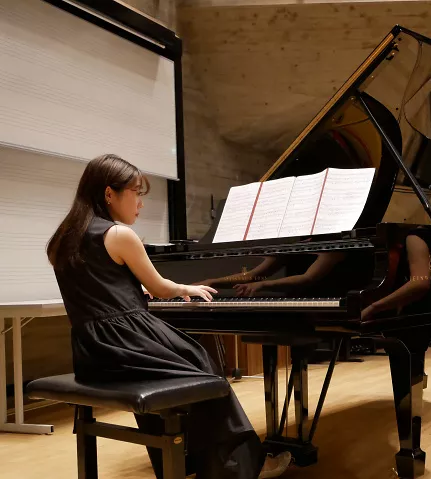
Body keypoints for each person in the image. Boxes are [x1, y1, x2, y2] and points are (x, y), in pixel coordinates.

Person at [46, 154, 292, 479]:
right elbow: (161, 288)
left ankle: (181, 464)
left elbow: (97, 287)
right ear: (109, 194)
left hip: (92, 351)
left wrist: (132, 292)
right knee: (205, 372)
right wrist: (186, 288)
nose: (140, 204)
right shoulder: (119, 234)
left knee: (188, 368)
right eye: (136, 192)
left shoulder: (62, 238)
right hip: (126, 341)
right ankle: (243, 466)